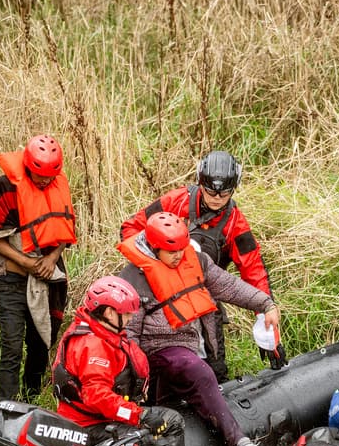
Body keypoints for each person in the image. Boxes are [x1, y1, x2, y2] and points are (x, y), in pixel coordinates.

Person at [118, 212, 281, 446]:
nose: (178, 257)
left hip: (187, 347)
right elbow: (127, 336)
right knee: (196, 369)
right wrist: (137, 382)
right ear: (153, 247)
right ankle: (240, 445)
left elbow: (230, 286)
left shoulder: (197, 261)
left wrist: (265, 304)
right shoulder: (133, 280)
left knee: (193, 377)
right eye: (171, 252)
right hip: (156, 353)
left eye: (182, 249)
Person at [120, 150, 285, 380]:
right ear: (200, 182)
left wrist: (267, 327)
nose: (217, 198)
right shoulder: (175, 202)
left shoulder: (235, 223)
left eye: (224, 192)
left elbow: (253, 270)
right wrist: (156, 263)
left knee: (215, 367)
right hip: (161, 298)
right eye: (210, 191)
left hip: (205, 297)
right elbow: (130, 229)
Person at [52, 276, 185, 446]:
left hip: (103, 417)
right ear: (110, 313)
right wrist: (138, 415)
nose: (132, 317)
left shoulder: (104, 334)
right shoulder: (92, 346)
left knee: (173, 421)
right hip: (88, 428)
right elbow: (97, 397)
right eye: (127, 313)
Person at [0, 134, 77, 401]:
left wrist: (52, 258)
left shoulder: (58, 186)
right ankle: (6, 408)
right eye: (39, 176)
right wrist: (27, 262)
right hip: (10, 275)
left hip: (46, 275)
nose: (44, 181)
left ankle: (31, 400)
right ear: (28, 166)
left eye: (50, 176)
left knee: (41, 343)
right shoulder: (4, 187)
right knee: (12, 345)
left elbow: (64, 230)